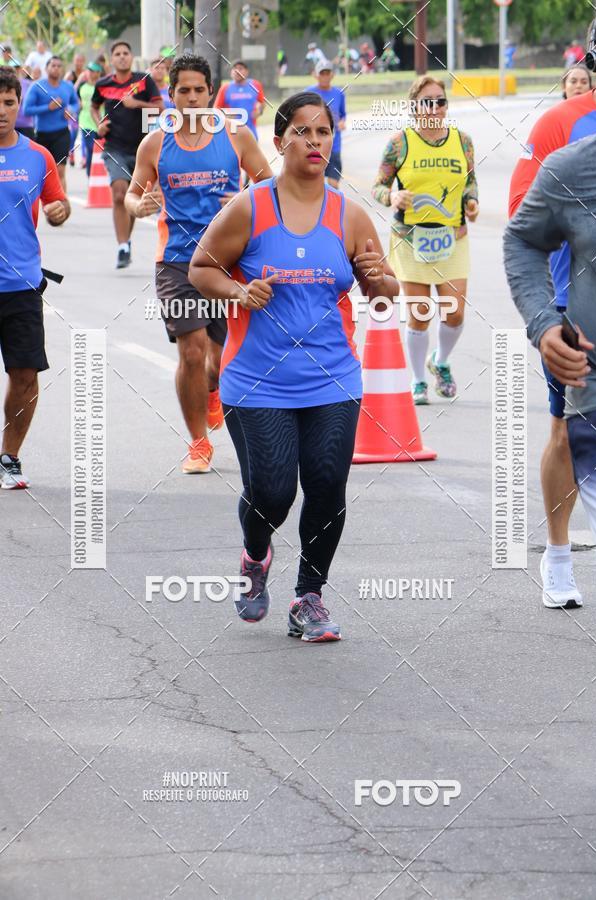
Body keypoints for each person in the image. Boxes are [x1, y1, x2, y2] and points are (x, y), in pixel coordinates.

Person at [188, 91, 399, 642]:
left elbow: (384, 292)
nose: (313, 142)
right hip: (256, 382)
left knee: (327, 484)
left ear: (333, 141)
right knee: (275, 491)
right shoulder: (250, 207)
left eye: (322, 132)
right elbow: (200, 269)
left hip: (332, 377)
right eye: (301, 132)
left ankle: (309, 597)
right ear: (279, 142)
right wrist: (238, 288)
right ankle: (256, 556)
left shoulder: (349, 213)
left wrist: (381, 280)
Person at [124, 54, 273, 474]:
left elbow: (269, 186)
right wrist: (139, 206)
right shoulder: (155, 143)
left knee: (218, 358)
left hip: (228, 260)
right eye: (183, 90)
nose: (192, 98)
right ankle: (197, 443)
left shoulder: (236, 135)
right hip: (176, 262)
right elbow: (132, 196)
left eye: (199, 90)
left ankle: (212, 390)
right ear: (170, 95)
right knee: (191, 352)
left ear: (212, 92)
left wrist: (245, 199)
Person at [508, 17, 596, 608]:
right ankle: (559, 556)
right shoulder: (560, 130)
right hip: (577, 316)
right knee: (566, 436)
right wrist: (544, 319)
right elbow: (522, 219)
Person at [372, 75, 479, 405]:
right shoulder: (399, 143)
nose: (434, 107)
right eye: (427, 101)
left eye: (440, 101)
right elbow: (378, 187)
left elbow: (470, 180)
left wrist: (472, 203)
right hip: (410, 240)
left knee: (455, 312)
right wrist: (394, 197)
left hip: (452, 239)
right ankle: (418, 379)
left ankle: (441, 361)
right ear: (414, 107)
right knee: (419, 313)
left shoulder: (463, 141)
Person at [0, 66, 70, 489]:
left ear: (18, 104)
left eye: (8, 102)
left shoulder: (38, 156)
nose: (1, 110)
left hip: (21, 285)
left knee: (25, 375)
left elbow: (57, 204)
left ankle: (9, 456)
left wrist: (60, 212)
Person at [91, 41, 163, 269]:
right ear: (112, 60)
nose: (122, 57)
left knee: (132, 197)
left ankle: (126, 240)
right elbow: (94, 106)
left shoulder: (144, 81)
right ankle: (122, 247)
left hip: (142, 149)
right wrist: (99, 122)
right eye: (117, 54)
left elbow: (160, 108)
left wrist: (137, 104)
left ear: (131, 57)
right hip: (114, 148)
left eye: (126, 53)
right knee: (119, 193)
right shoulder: (103, 84)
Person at [23, 55, 79, 191]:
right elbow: (26, 110)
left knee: (60, 171)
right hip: (42, 135)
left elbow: (75, 103)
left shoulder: (68, 87)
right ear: (46, 68)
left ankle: (62, 204)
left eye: (59, 66)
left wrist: (71, 111)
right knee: (42, 174)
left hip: (62, 134)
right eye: (53, 65)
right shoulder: (37, 86)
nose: (56, 68)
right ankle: (45, 203)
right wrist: (48, 107)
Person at [309, 60, 346, 188]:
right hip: (314, 145)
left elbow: (343, 114)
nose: (325, 76)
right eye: (322, 73)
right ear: (315, 75)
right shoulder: (308, 93)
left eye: (327, 73)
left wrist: (342, 122)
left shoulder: (339, 94)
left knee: (333, 184)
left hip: (334, 144)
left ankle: (333, 207)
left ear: (332, 75)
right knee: (315, 183)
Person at [214, 61, 264, 141]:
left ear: (247, 72)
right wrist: (226, 114)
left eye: (240, 69)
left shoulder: (255, 85)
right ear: (231, 73)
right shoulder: (225, 88)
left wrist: (259, 111)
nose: (237, 71)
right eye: (234, 69)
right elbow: (216, 109)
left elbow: (261, 103)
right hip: (231, 133)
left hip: (250, 131)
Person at [77, 61, 102, 177]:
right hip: (85, 122)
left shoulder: (102, 86)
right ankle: (90, 176)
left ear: (98, 73)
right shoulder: (82, 86)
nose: (91, 73)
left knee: (100, 150)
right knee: (90, 148)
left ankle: (99, 175)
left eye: (93, 71)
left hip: (100, 121)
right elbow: (73, 94)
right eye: (89, 71)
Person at [65, 52, 86, 166]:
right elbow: (66, 90)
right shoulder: (70, 75)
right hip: (73, 108)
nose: (79, 63)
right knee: (73, 133)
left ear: (84, 61)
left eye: (81, 60)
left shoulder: (87, 74)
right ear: (74, 61)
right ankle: (71, 154)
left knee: (84, 133)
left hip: (85, 108)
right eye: (77, 60)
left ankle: (84, 158)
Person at [14, 63, 35, 140]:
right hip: (12, 126)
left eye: (17, 68)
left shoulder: (29, 84)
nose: (15, 70)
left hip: (27, 125)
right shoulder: (6, 84)